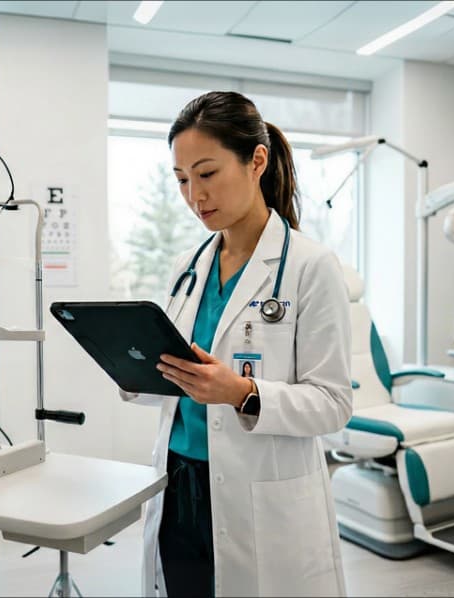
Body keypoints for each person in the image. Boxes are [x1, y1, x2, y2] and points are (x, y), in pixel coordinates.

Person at [119, 91, 352, 597]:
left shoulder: (311, 267)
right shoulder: (188, 266)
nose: (194, 195)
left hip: (261, 494)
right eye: (181, 180)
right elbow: (180, 379)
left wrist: (241, 392)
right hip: (179, 482)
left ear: (257, 161)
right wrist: (131, 367)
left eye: (207, 174)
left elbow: (333, 405)